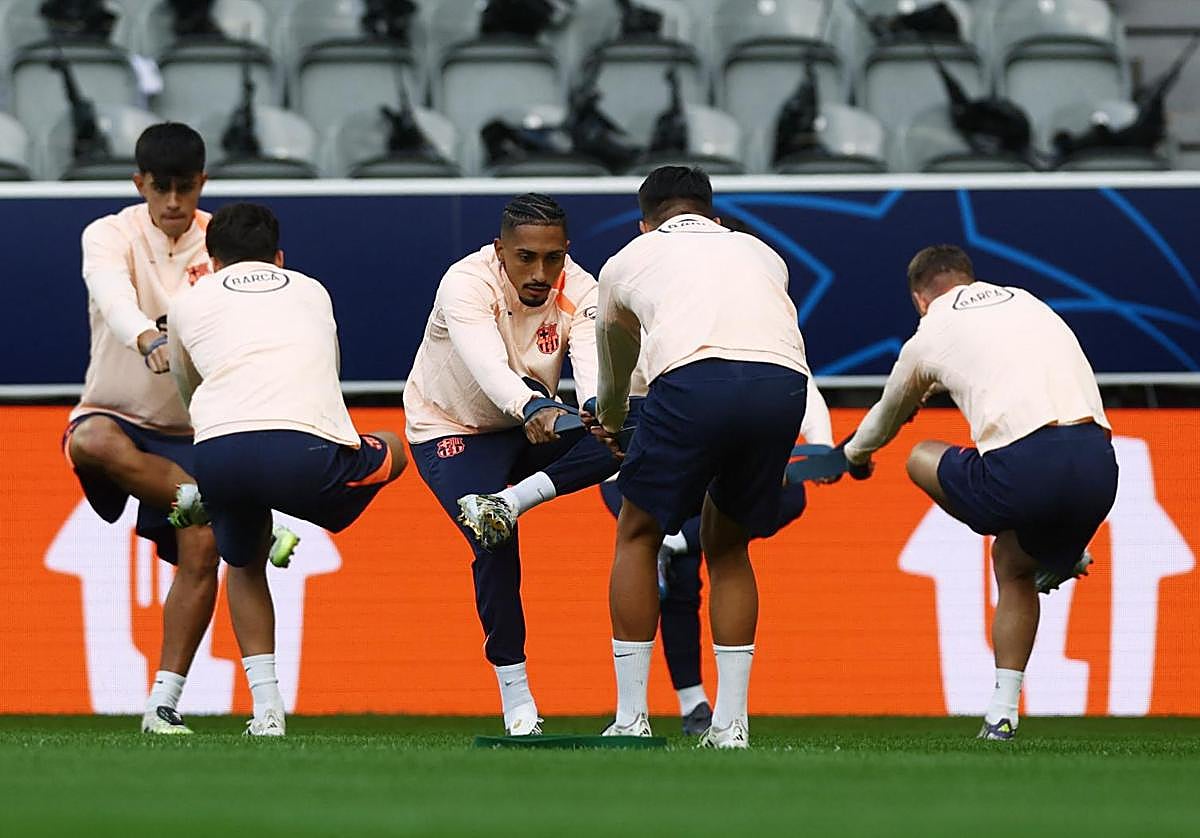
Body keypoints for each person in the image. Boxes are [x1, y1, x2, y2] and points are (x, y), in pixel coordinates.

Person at [458, 359, 831, 735]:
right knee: (690, 571)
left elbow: (793, 366)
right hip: (638, 446)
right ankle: (697, 710)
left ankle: (649, 712)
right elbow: (608, 373)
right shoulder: (656, 313)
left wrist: (821, 445)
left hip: (699, 438)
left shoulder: (685, 311)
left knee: (753, 519)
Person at [841, 244, 1116, 741]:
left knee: (920, 455)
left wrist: (853, 458)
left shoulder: (932, 333)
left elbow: (885, 418)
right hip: (1100, 465)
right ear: (969, 279)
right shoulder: (1027, 301)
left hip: (1026, 470)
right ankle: (1001, 711)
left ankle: (1050, 547)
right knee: (1012, 562)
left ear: (920, 299)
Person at [592, 166, 815, 748]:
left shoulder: (626, 261)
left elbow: (615, 367)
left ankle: (631, 718)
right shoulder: (764, 254)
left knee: (638, 532)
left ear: (645, 223)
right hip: (784, 385)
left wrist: (612, 422)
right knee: (728, 544)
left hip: (695, 380)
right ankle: (732, 726)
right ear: (713, 215)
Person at [167, 203, 406, 736]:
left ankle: (268, 712)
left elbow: (188, 388)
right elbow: (328, 371)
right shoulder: (311, 288)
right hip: (305, 454)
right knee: (396, 447)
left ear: (210, 261)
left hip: (218, 453)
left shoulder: (186, 301)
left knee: (245, 563)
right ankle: (295, 507)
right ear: (279, 257)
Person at [404, 193, 616, 736]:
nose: (541, 272)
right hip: (451, 428)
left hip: (529, 425)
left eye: (553, 258)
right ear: (500, 251)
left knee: (634, 431)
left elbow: (593, 365)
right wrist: (534, 405)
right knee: (493, 544)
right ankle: (518, 701)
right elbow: (488, 368)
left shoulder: (586, 288)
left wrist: (596, 411)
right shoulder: (466, 282)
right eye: (526, 258)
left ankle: (508, 502)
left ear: (567, 252)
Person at [62, 122, 219, 735]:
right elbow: (113, 294)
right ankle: (207, 502)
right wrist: (149, 335)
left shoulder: (220, 243)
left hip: (194, 428)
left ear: (202, 183)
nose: (175, 202)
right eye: (162, 188)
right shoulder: (107, 234)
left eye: (186, 188)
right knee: (89, 441)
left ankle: (162, 703)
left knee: (201, 549)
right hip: (119, 417)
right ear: (140, 184)